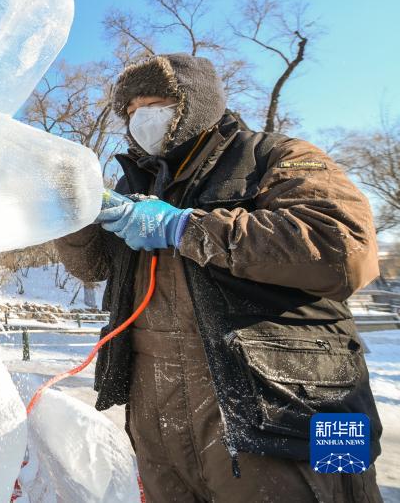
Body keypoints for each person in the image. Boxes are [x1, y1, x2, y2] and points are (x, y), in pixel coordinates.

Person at [53, 53, 383, 502]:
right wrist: (74, 213)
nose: (139, 119)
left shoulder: (276, 155)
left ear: (195, 102)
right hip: (161, 425)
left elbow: (342, 249)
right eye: (129, 112)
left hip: (299, 409)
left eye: (153, 103)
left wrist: (187, 228)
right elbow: (91, 267)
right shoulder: (140, 188)